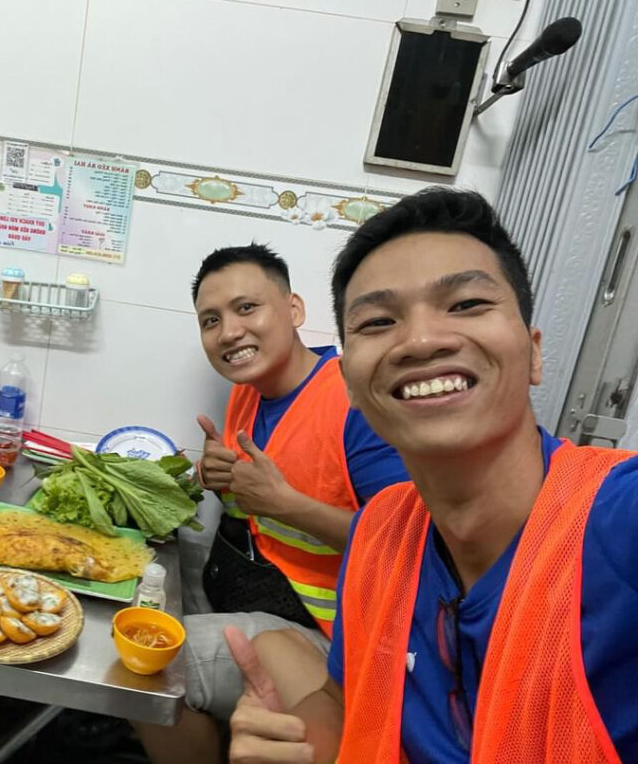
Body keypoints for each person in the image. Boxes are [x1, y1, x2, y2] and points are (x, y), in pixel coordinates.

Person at [227, 188, 638, 763]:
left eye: (466, 304)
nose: (421, 340)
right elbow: (344, 703)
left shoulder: (616, 521)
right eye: (378, 320)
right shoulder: (379, 535)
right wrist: (290, 738)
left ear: (534, 353)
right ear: (350, 387)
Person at [136, 244, 407, 763]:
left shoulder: (355, 405)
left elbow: (410, 548)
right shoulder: (250, 390)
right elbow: (256, 502)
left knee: (144, 659)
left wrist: (286, 504)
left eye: (246, 308)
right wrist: (221, 479)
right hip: (253, 585)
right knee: (141, 580)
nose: (229, 332)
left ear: (295, 310)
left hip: (324, 634)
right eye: (210, 320)